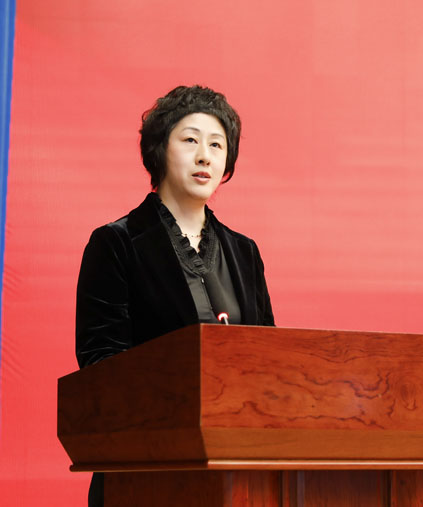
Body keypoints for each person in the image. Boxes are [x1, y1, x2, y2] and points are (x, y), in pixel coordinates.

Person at [75, 85, 275, 506]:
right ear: (160, 150)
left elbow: (270, 362)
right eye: (190, 140)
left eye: (217, 145)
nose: (205, 156)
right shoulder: (116, 243)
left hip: (237, 471)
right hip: (145, 468)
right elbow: (100, 364)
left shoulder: (245, 252)